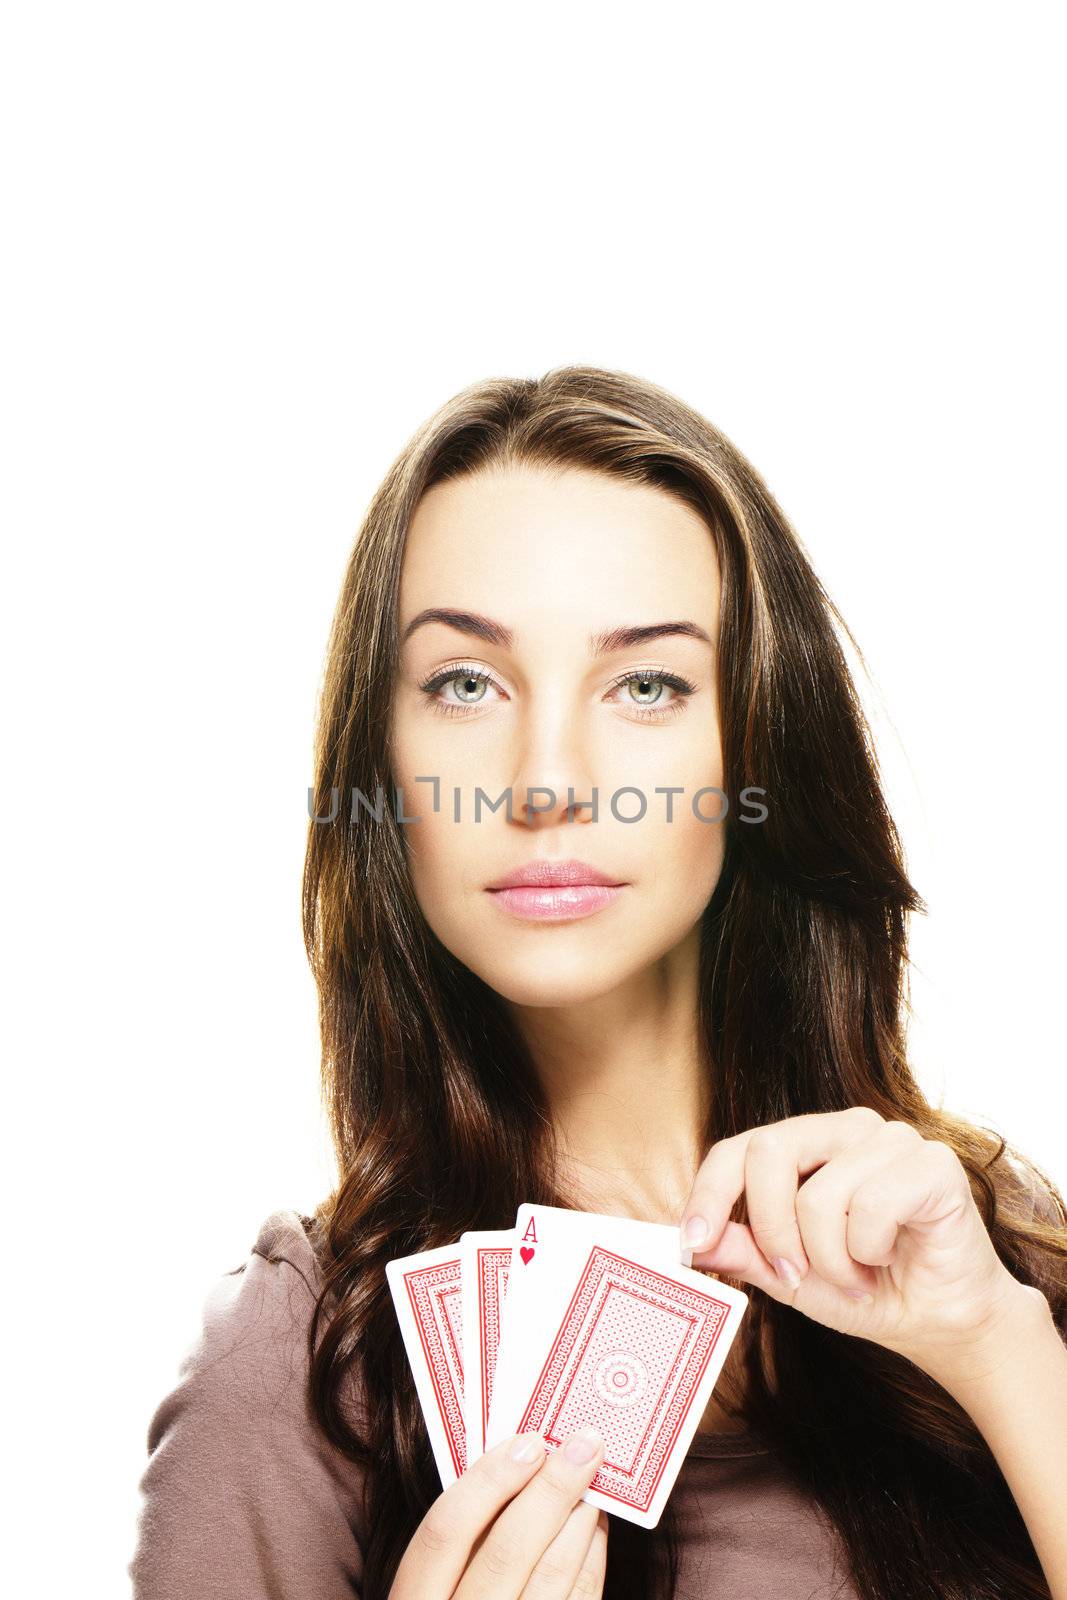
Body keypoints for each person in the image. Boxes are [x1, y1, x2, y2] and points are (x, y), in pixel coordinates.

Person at [130, 365, 1067, 1600]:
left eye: (645, 684)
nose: (546, 780)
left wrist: (994, 1345)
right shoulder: (308, 1368)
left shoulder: (977, 1248)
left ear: (757, 745)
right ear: (381, 754)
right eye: (465, 683)